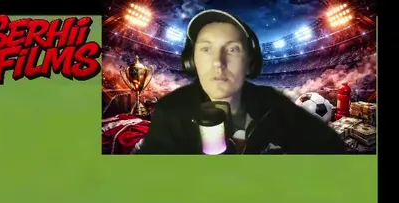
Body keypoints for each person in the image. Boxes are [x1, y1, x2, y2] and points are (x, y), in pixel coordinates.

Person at [138, 9, 347, 155]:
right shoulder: (170, 111)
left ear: (250, 63)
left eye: (232, 49)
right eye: (206, 49)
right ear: (191, 61)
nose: (218, 62)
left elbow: (332, 149)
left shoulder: (273, 104)